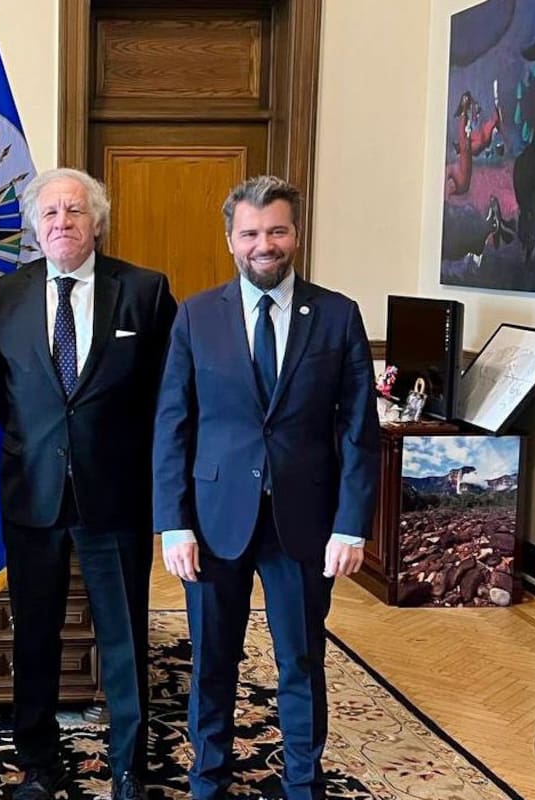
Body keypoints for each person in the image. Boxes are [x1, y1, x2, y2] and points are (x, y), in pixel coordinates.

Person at [152, 175, 380, 800]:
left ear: (295, 235)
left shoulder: (337, 315)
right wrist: (172, 522)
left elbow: (360, 432)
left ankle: (304, 785)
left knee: (300, 661)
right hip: (212, 521)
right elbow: (173, 423)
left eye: (276, 230)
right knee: (212, 663)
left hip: (304, 524)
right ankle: (208, 779)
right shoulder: (197, 315)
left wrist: (351, 524)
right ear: (231, 239)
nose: (264, 244)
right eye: (250, 232)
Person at [0, 168, 177, 800]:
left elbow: (165, 396)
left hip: (113, 496)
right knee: (34, 636)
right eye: (50, 214)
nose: (62, 222)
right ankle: (38, 763)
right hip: (32, 494)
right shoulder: (3, 297)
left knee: (123, 637)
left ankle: (128, 768)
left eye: (74, 211)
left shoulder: (144, 292)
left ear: (97, 220)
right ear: (35, 228)